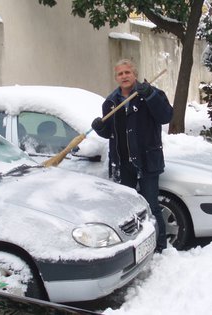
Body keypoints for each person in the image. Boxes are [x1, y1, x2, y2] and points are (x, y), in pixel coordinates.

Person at [91, 59, 173, 253]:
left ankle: (160, 247)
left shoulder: (150, 94)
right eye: (120, 74)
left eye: (127, 72)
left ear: (134, 74)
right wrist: (100, 130)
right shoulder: (111, 103)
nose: (124, 76)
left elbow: (166, 117)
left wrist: (151, 96)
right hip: (123, 164)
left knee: (151, 206)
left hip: (147, 161)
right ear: (116, 78)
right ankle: (133, 247)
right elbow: (111, 132)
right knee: (127, 209)